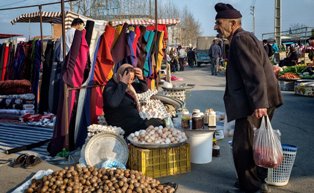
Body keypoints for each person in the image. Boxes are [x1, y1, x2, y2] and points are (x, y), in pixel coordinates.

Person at [213, 3, 283, 193]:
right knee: (257, 145)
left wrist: (259, 103)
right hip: (259, 101)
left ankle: (251, 188)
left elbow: (254, 74)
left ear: (233, 23)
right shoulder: (243, 38)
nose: (216, 27)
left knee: (243, 147)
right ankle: (256, 181)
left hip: (256, 103)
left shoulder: (241, 39)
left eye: (219, 23)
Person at [102, 64, 164, 137]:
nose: (129, 82)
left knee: (159, 122)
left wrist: (141, 78)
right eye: (127, 79)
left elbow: (143, 90)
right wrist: (122, 84)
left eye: (131, 79)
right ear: (120, 76)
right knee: (156, 124)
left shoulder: (128, 86)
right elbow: (113, 103)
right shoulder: (111, 86)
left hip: (134, 121)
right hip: (123, 125)